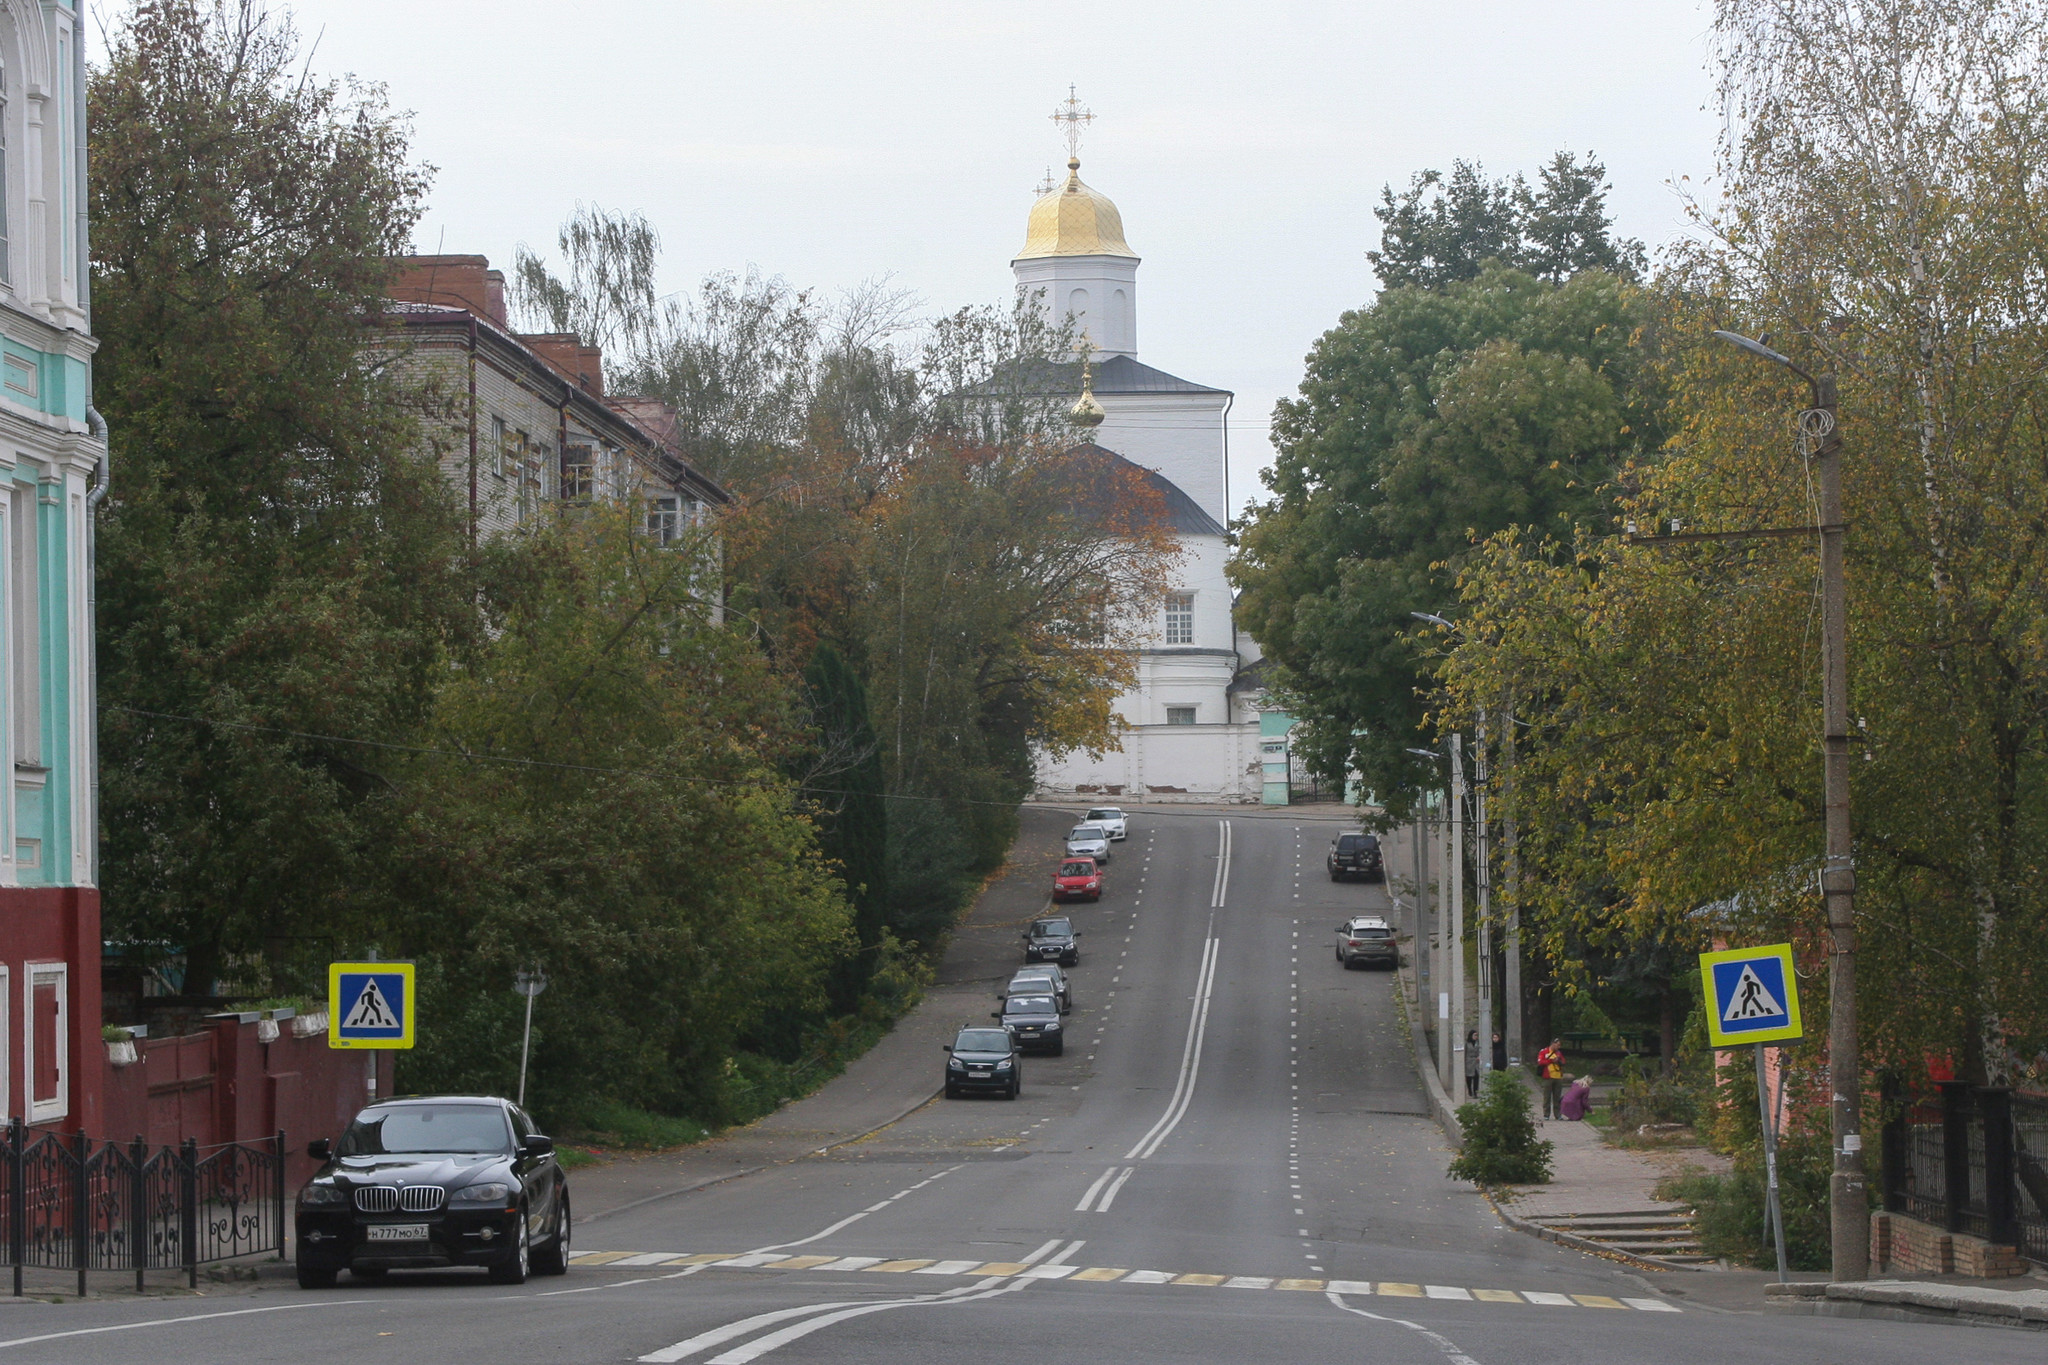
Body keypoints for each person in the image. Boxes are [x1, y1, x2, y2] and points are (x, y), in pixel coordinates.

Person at [1537, 1038, 1566, 1119]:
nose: (1558, 1047)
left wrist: (1558, 1061)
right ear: (1553, 1044)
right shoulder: (1544, 1051)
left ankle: (1558, 1114)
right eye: (1557, 1045)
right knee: (1547, 1096)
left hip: (1558, 1077)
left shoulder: (1559, 1053)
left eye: (1559, 1045)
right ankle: (1546, 1114)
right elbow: (1540, 1061)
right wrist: (1551, 1061)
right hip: (1548, 1077)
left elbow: (1563, 1062)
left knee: (1557, 1096)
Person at [1464, 1029, 1481, 1100]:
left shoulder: (1478, 1043)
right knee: (1469, 1077)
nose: (1476, 1037)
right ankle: (1470, 1090)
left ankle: (1475, 1092)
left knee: (1476, 1076)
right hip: (1469, 1061)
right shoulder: (1467, 1043)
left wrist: (1479, 1057)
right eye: (1474, 1035)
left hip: (1476, 1061)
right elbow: (1465, 1053)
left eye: (1477, 1035)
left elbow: (1479, 1050)